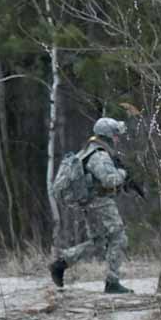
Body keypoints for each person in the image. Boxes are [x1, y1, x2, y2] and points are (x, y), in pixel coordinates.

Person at [50, 117, 135, 294]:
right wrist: (123, 173)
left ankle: (61, 263)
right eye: (115, 135)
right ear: (108, 136)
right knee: (119, 238)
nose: (117, 139)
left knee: (99, 242)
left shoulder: (88, 150)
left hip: (90, 203)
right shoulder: (99, 155)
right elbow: (109, 180)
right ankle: (112, 282)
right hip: (100, 203)